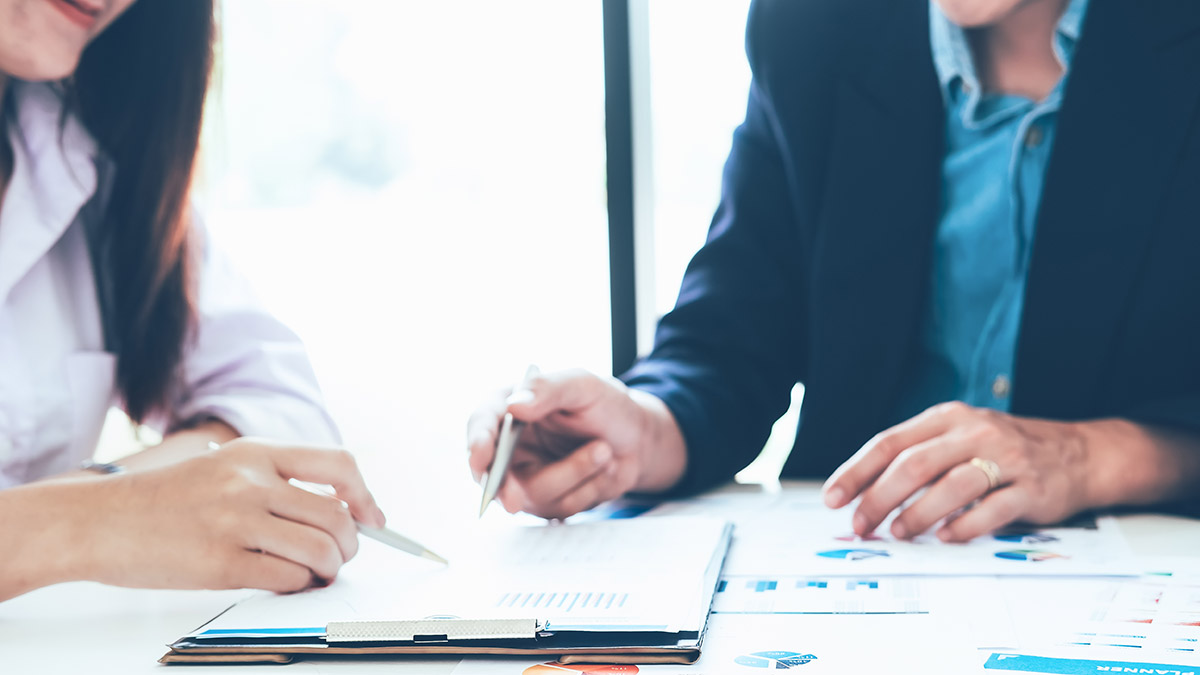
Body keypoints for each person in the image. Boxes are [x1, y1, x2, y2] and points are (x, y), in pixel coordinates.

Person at [468, 0, 1200, 539]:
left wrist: (1088, 457)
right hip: (862, 579)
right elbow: (730, 337)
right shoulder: (816, 26)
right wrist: (637, 430)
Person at [0, 0, 384, 602]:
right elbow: (104, 518)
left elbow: (280, 406)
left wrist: (115, 496)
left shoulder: (91, 167)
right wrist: (95, 521)